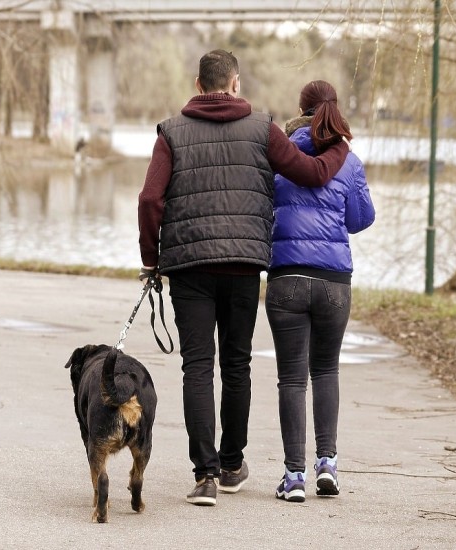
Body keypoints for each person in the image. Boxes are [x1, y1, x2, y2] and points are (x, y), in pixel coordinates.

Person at [137, 51, 351, 506]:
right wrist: (339, 148)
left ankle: (205, 477)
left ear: (198, 84)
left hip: (189, 267)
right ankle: (232, 465)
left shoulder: (171, 132)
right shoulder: (262, 128)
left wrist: (151, 261)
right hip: (242, 265)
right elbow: (311, 173)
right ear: (235, 84)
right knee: (236, 365)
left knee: (197, 366)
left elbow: (150, 201)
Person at [265, 80, 375, 503]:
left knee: (291, 378)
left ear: (300, 110)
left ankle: (294, 477)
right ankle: (326, 464)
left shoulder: (279, 154)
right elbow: (360, 219)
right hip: (334, 283)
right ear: (334, 109)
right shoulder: (350, 160)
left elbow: (262, 206)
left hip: (287, 278)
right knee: (326, 371)